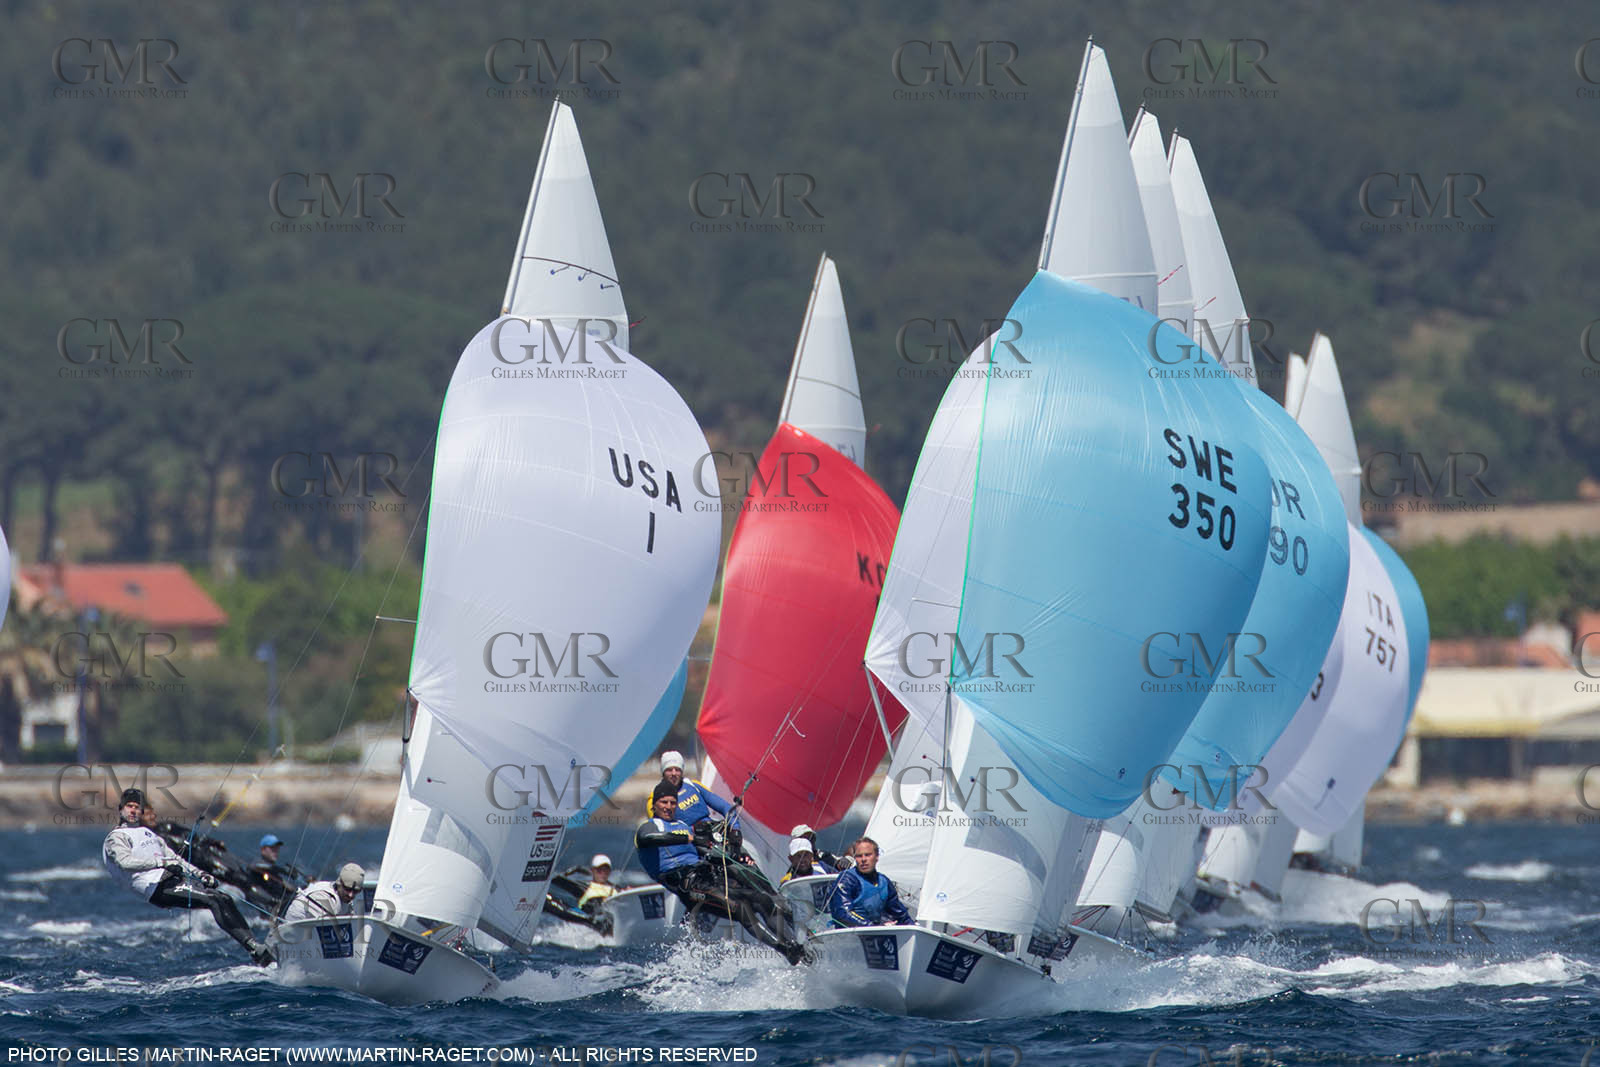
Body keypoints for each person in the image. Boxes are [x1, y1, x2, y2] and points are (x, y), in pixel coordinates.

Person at [636, 782, 809, 965]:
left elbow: (707, 852)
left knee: (762, 899)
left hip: (708, 878)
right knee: (741, 908)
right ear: (654, 804)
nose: (669, 807)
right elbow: (648, 839)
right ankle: (785, 950)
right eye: (664, 802)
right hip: (689, 887)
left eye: (672, 803)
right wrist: (688, 838)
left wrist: (737, 858)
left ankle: (797, 946)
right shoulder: (650, 826)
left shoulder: (683, 825)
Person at [102, 788, 276, 966]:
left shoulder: (149, 834)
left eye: (137, 807)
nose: (133, 810)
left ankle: (257, 948)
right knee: (213, 900)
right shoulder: (116, 837)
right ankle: (255, 950)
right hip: (156, 888)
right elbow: (125, 862)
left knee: (223, 898)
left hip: (171, 880)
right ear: (120, 809)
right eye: (129, 806)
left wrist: (200, 874)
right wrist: (161, 862)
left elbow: (175, 858)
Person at [828, 836, 912, 928]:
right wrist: (872, 926)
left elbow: (899, 913)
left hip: (874, 933)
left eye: (868, 855)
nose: (863, 859)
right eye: (859, 856)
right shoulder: (847, 879)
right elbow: (842, 913)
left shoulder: (884, 881)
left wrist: (913, 926)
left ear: (877, 857)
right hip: (850, 936)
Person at [647, 750, 739, 829]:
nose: (674, 773)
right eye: (669, 770)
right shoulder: (655, 798)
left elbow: (724, 806)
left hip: (711, 830)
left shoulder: (694, 785)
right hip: (689, 841)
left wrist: (735, 828)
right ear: (663, 772)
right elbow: (659, 827)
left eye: (677, 769)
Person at [282, 863, 364, 922]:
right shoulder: (323, 896)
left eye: (356, 891)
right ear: (339, 883)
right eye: (347, 889)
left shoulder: (344, 900)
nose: (351, 894)